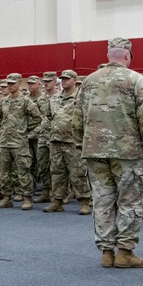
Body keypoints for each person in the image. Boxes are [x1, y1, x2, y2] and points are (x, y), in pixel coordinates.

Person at [76, 38, 143, 268]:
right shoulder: (136, 80)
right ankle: (125, 251)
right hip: (128, 153)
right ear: (128, 56)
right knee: (129, 202)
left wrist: (83, 147)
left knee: (102, 201)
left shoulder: (88, 81)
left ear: (108, 55)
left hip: (94, 152)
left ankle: (106, 252)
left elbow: (75, 120)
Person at [46, 70, 91, 214]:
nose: (64, 81)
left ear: (74, 80)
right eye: (62, 79)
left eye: (67, 79)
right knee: (57, 172)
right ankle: (58, 201)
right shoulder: (54, 99)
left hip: (73, 142)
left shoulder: (81, 97)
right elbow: (48, 117)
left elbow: (88, 118)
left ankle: (84, 201)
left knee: (78, 172)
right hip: (56, 141)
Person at [0, 73, 41, 209]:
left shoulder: (26, 101)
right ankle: (7, 197)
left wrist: (25, 130)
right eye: (8, 83)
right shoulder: (3, 101)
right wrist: (3, 131)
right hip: (4, 142)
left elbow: (37, 118)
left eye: (12, 83)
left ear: (19, 84)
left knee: (23, 171)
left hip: (19, 142)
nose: (9, 86)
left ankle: (27, 198)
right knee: (4, 172)